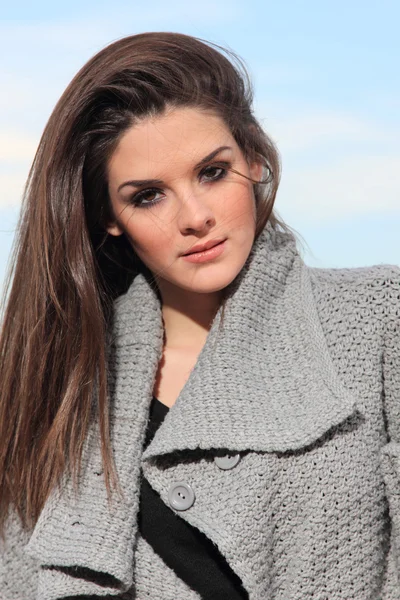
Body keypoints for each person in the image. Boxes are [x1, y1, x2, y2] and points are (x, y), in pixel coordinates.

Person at [0, 31, 399, 600]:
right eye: (148, 196)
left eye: (212, 172)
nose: (195, 217)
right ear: (109, 217)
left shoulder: (381, 316)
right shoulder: (63, 386)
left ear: (255, 159)